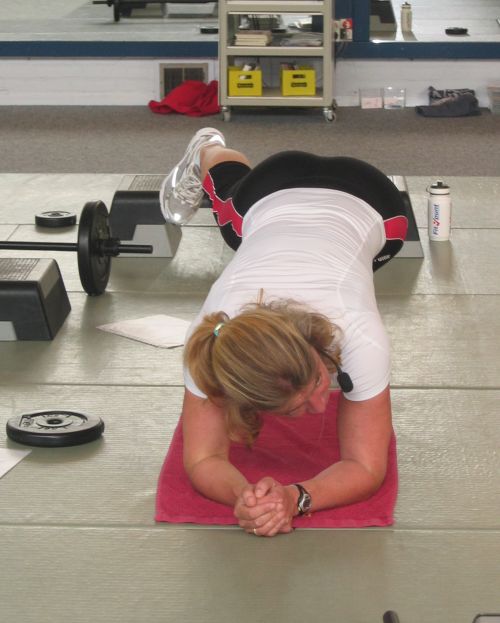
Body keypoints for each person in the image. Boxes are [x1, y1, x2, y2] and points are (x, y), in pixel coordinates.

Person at [160, 128, 408, 537]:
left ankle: (208, 149)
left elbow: (366, 467)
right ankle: (209, 151)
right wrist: (244, 497)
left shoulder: (359, 336)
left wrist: (297, 499)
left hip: (373, 199)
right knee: (238, 220)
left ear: (315, 349)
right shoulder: (212, 344)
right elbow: (203, 459)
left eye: (318, 383)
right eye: (296, 409)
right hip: (282, 195)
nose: (321, 407)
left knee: (233, 223)